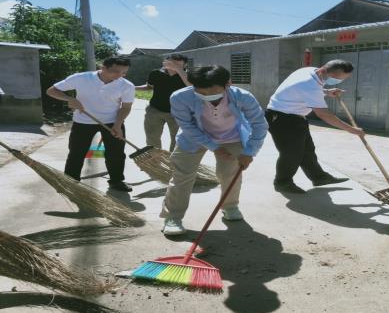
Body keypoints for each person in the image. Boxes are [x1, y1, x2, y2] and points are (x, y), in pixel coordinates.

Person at [160, 65, 268, 235]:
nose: (208, 97)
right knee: (182, 176)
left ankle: (230, 206)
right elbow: (187, 126)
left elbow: (260, 125)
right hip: (193, 138)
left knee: (230, 174)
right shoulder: (180, 97)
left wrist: (249, 152)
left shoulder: (243, 97)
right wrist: (214, 147)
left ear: (228, 84)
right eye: (201, 93)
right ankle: (173, 217)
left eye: (213, 92)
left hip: (232, 138)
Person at [266, 59, 364, 194]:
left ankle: (319, 178)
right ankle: (282, 183)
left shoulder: (308, 71)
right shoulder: (309, 84)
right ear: (324, 70)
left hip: (295, 116)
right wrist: (351, 129)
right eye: (336, 78)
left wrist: (326, 92)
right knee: (291, 154)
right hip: (282, 119)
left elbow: (302, 90)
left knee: (307, 150)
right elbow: (324, 115)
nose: (338, 81)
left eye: (342, 79)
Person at [46, 56, 135, 192]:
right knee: (77, 152)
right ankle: (70, 181)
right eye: (115, 71)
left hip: (112, 122)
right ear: (103, 67)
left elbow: (126, 107)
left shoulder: (126, 85)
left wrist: (118, 125)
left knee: (116, 153)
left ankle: (116, 181)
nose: (119, 76)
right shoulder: (81, 78)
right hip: (83, 121)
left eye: (123, 72)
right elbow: (51, 90)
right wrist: (69, 98)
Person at [136, 53, 190, 152]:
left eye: (177, 64)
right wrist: (133, 88)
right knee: (152, 138)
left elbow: (191, 87)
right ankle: (155, 163)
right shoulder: (156, 73)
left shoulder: (189, 75)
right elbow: (149, 87)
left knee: (177, 139)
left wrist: (179, 70)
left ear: (185, 65)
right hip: (155, 110)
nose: (173, 66)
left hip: (178, 112)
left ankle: (173, 164)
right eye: (171, 62)